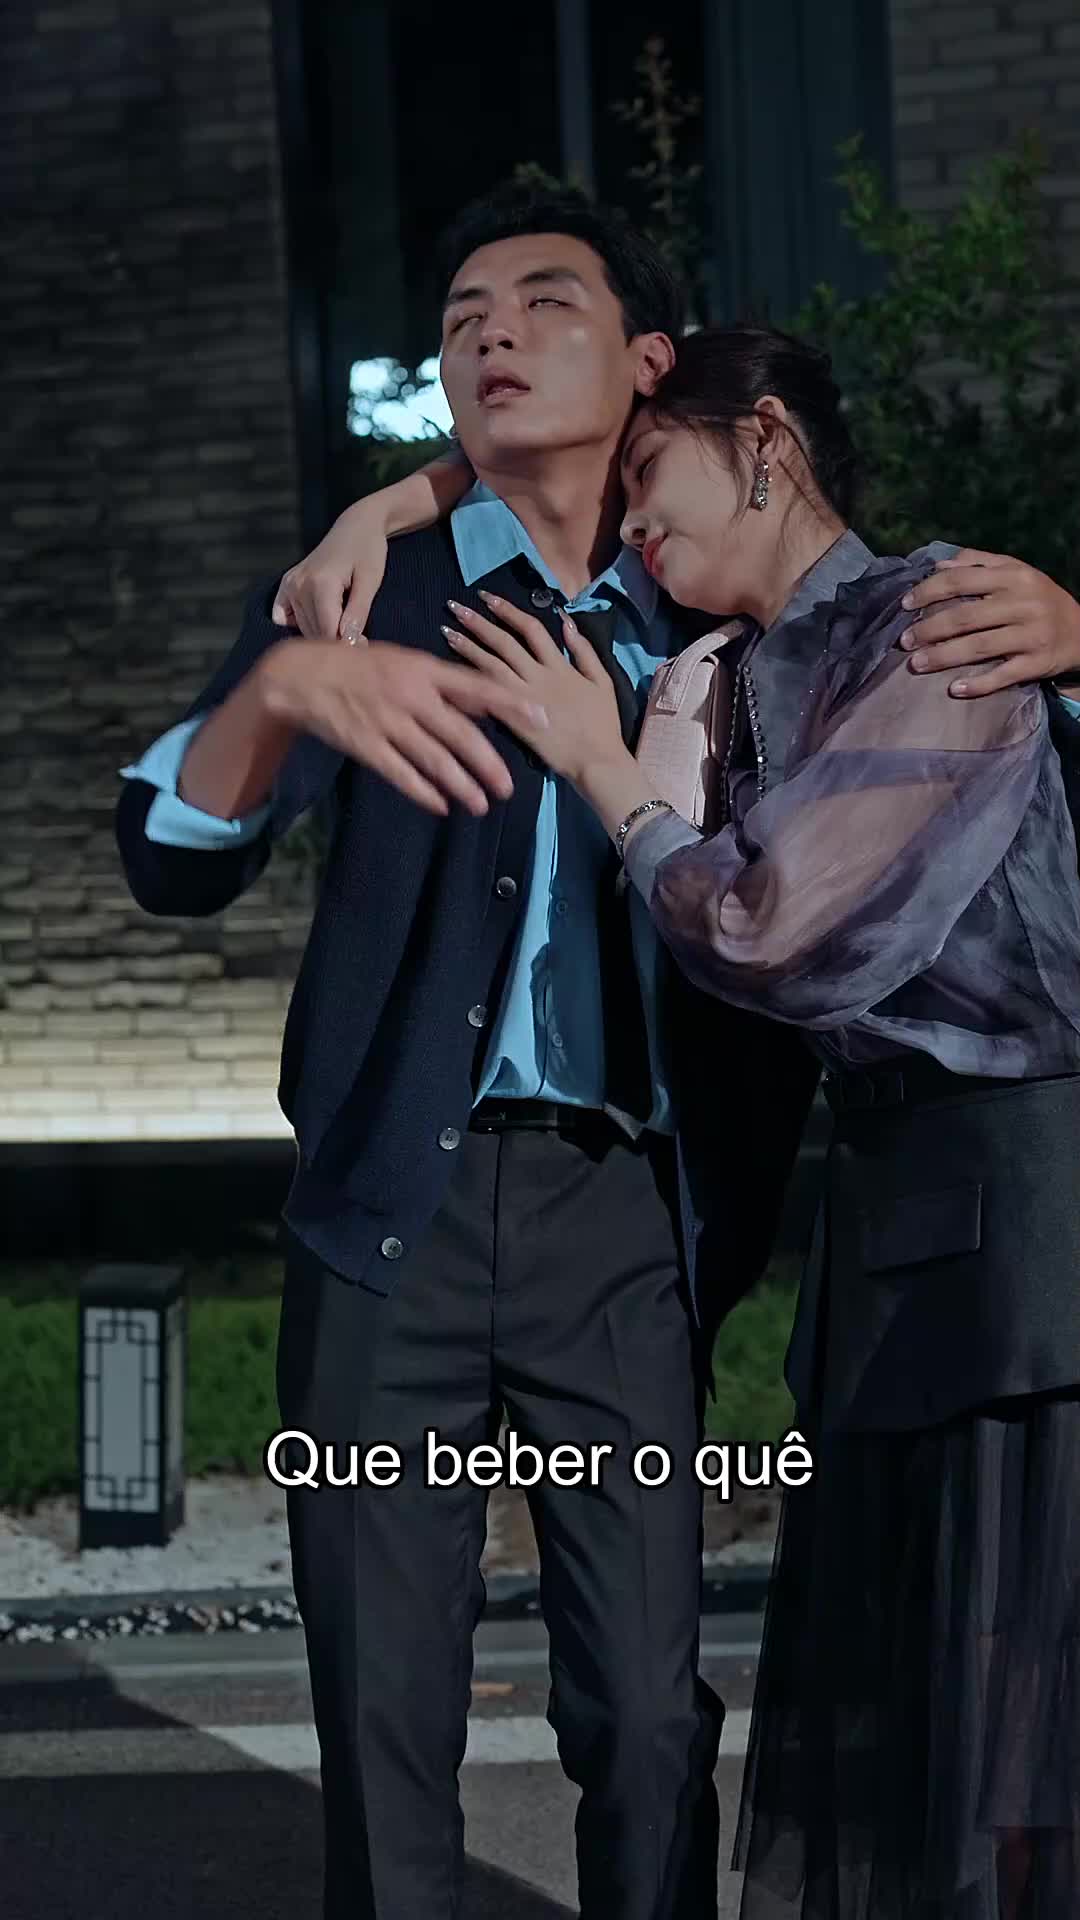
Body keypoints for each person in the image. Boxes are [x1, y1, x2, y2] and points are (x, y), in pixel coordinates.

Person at [114, 180, 1080, 1920]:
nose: (491, 330)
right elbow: (170, 861)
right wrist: (270, 696)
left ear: (651, 364)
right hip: (388, 1222)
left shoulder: (722, 621)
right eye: (461, 315)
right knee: (384, 1718)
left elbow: (912, 752)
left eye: (544, 300)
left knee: (644, 1718)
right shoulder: (365, 595)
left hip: (630, 1227)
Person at [425, 320, 1080, 1919]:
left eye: (652, 469)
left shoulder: (933, 614)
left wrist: (613, 779)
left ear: (766, 443)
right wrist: (377, 515)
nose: (631, 517)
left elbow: (776, 927)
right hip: (899, 1244)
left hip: (1030, 1250)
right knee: (921, 1760)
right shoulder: (728, 672)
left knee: (1013, 1763)